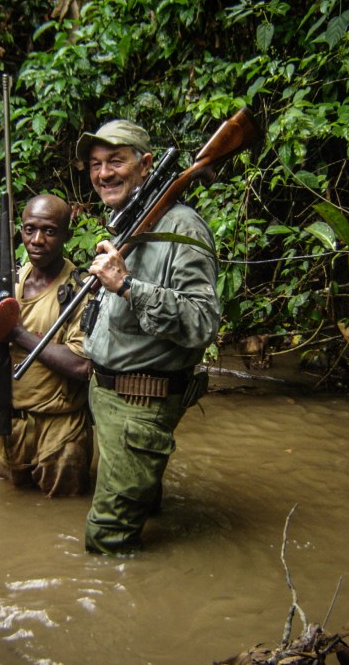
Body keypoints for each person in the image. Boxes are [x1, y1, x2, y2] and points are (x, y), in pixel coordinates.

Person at [76, 119, 221, 554]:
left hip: (141, 403)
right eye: (96, 164)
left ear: (146, 165)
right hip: (108, 397)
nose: (104, 173)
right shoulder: (128, 221)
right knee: (142, 506)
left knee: (106, 540)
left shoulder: (182, 227)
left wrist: (127, 285)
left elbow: (202, 322)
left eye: (115, 161)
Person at [0, 194, 93, 497]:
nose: (37, 240)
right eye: (29, 229)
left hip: (60, 431)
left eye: (49, 231)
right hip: (12, 426)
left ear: (66, 235)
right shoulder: (9, 286)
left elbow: (82, 365)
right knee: (11, 509)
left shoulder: (79, 291)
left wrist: (19, 334)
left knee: (62, 514)